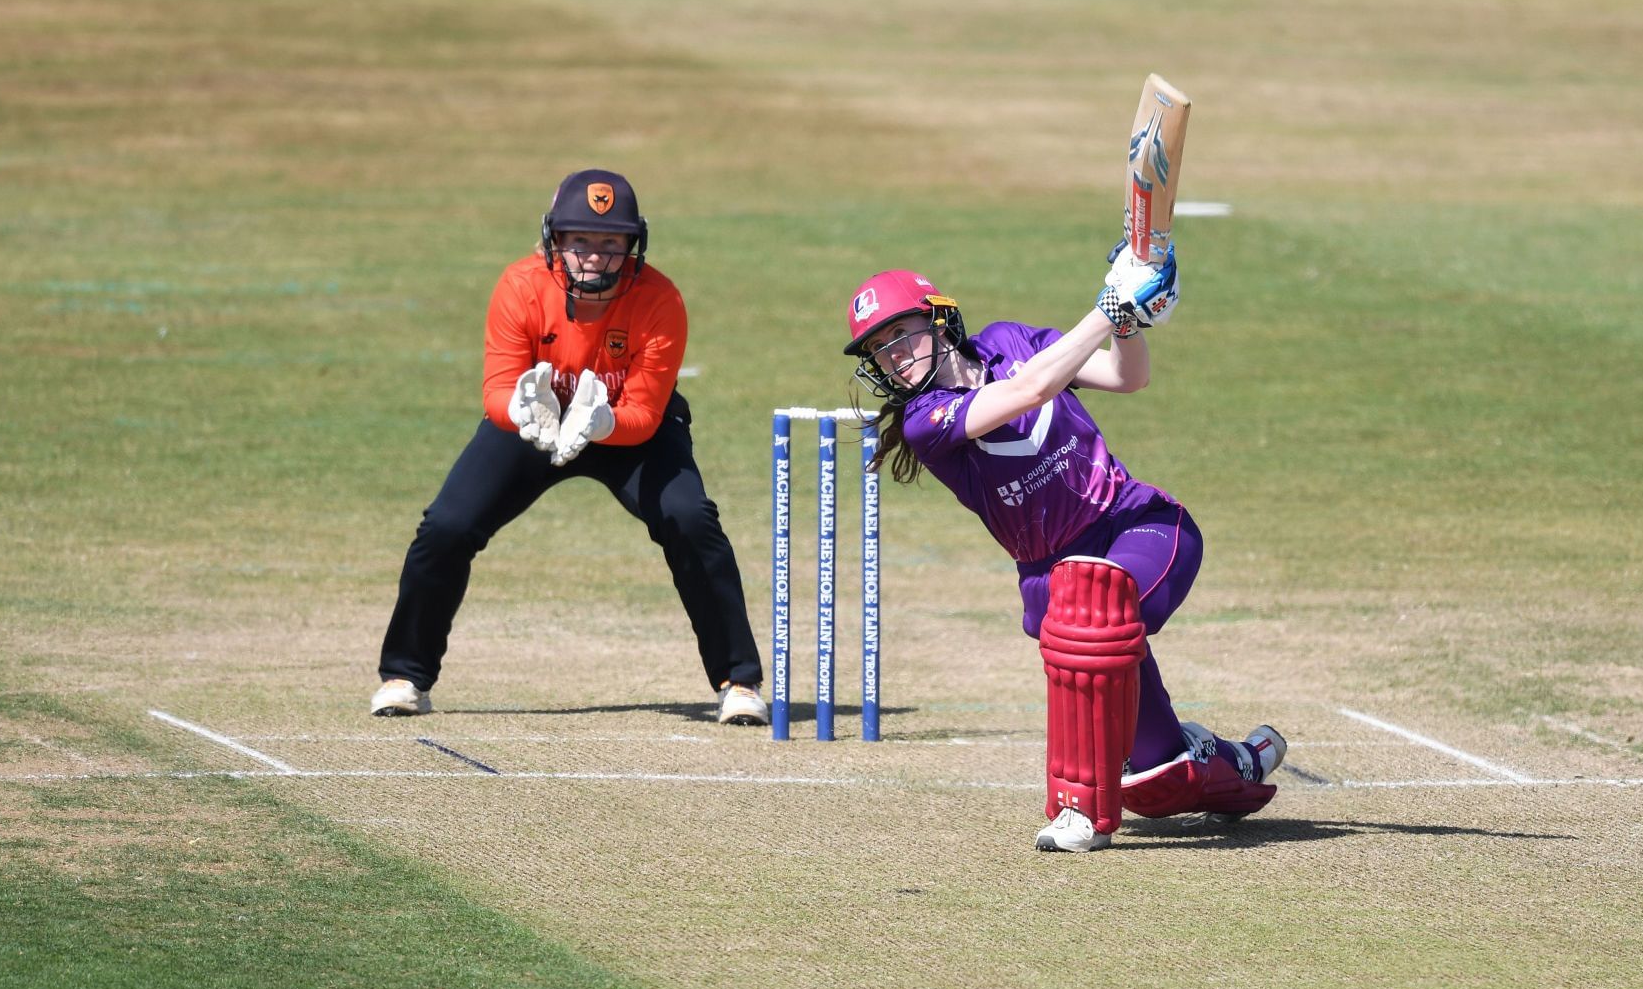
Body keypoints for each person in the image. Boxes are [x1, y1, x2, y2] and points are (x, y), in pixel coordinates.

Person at [842, 246, 1285, 851]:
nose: (894, 358)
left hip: (1138, 526)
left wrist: (1130, 323)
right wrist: (1111, 306)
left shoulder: (1010, 340)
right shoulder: (925, 421)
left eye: (901, 335)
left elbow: (1129, 376)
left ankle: (1080, 813)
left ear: (939, 321)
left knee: (1099, 610)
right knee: (1158, 785)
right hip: (1051, 572)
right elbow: (1029, 391)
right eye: (879, 350)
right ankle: (1232, 759)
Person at [371, 169, 768, 727]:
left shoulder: (660, 298)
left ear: (633, 244)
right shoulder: (520, 285)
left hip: (625, 428)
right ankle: (404, 675)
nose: (594, 256)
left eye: (611, 243)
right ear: (554, 239)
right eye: (579, 240)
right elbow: (497, 391)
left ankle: (739, 681)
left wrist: (600, 422)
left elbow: (646, 412)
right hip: (536, 423)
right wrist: (522, 413)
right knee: (448, 526)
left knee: (689, 517)